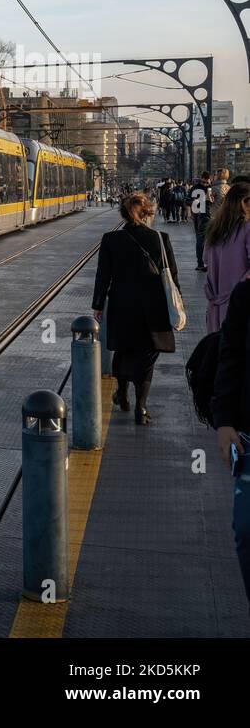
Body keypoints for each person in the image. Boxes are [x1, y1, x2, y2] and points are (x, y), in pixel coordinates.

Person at [92, 192, 181, 426]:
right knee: (148, 354)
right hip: (154, 306)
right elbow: (172, 276)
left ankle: (121, 393)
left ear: (123, 213)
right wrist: (177, 303)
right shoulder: (161, 238)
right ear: (149, 212)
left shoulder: (110, 240)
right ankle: (141, 408)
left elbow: (103, 276)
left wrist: (98, 305)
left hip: (122, 304)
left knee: (123, 349)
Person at [206, 280, 250, 610]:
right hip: (248, 436)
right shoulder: (246, 295)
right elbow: (230, 356)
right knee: (246, 531)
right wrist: (223, 421)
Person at [203, 182, 250, 332]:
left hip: (215, 304)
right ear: (244, 203)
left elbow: (206, 261)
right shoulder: (247, 228)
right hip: (240, 306)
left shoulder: (215, 228)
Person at [193, 171, 213, 272]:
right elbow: (190, 201)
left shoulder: (213, 188)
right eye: (204, 182)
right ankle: (202, 263)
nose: (205, 184)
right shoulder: (197, 188)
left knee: (205, 241)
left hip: (206, 217)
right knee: (201, 241)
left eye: (207, 182)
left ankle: (203, 263)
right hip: (202, 217)